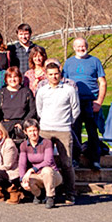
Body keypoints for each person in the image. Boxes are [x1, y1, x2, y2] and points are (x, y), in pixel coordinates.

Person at [35, 60, 79, 204]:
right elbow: (39, 109)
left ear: (60, 74)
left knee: (67, 163)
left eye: (56, 74)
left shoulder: (69, 90)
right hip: (45, 130)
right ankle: (44, 193)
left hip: (63, 130)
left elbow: (75, 109)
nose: (54, 77)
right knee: (43, 162)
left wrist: (66, 122)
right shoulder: (42, 91)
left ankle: (70, 193)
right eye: (51, 74)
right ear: (46, 75)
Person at [62, 36, 106, 166]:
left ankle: (94, 160)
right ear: (74, 48)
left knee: (92, 131)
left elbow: (103, 83)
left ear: (87, 47)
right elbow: (64, 82)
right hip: (74, 101)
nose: (81, 49)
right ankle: (75, 158)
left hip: (91, 101)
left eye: (83, 46)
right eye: (78, 46)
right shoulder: (68, 62)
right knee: (75, 131)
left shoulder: (95, 61)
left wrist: (99, 102)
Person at [18, 118, 62, 209]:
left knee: (46, 170)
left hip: (52, 175)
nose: (33, 133)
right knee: (27, 179)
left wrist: (31, 169)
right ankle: (39, 195)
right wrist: (22, 179)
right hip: (37, 175)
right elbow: (22, 164)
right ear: (25, 132)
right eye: (30, 131)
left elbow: (48, 161)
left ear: (38, 130)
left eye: (35, 130)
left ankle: (50, 197)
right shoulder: (24, 145)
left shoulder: (47, 143)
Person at [0, 66, 36, 141]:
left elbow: (32, 111)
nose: (13, 79)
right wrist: (2, 125)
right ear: (6, 79)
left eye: (15, 77)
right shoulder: (1, 93)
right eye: (10, 77)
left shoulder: (26, 92)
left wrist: (23, 123)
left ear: (19, 78)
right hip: (5, 127)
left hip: (22, 127)